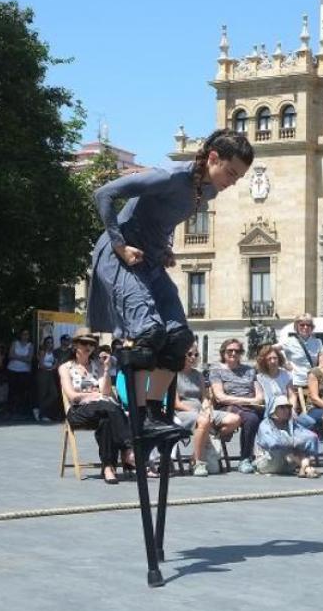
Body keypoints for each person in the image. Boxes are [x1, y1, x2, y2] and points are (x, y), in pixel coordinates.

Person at [86, 129, 252, 443]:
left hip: (149, 259)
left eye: (239, 177)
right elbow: (103, 194)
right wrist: (120, 245)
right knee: (150, 332)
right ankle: (137, 414)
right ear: (213, 158)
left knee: (178, 337)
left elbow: (161, 219)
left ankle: (154, 412)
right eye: (231, 172)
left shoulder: (207, 190)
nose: (233, 181)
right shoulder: (170, 178)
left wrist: (163, 248)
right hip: (120, 254)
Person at [57, 328, 132, 484]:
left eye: (91, 343)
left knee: (106, 419)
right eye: (84, 343)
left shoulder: (96, 365)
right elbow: (72, 395)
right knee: (109, 406)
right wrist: (92, 395)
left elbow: (105, 392)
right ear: (75, 345)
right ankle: (128, 449)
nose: (88, 347)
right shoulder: (66, 368)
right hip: (78, 411)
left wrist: (105, 369)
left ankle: (108, 467)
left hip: (101, 409)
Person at [172, 344, 237, 477]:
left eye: (196, 355)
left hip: (201, 411)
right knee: (203, 421)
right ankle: (198, 462)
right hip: (182, 413)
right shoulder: (174, 374)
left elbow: (204, 397)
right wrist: (198, 413)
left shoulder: (198, 375)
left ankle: (202, 446)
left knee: (234, 419)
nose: (193, 357)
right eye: (189, 354)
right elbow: (176, 403)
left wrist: (207, 406)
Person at [208, 338, 265, 474]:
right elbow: (220, 397)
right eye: (230, 350)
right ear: (223, 352)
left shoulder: (250, 370)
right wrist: (246, 401)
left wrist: (251, 402)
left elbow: (259, 396)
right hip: (226, 407)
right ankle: (245, 458)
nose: (234, 353)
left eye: (237, 351)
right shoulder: (216, 370)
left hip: (249, 406)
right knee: (251, 419)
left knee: (274, 416)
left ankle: (270, 455)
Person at [255, 396, 321, 477]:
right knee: (286, 449)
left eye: (288, 407)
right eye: (282, 407)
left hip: (287, 465)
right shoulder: (265, 425)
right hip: (267, 463)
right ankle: (307, 468)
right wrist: (293, 442)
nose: (286, 410)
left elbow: (311, 438)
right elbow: (273, 443)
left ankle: (305, 468)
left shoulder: (291, 424)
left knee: (301, 449)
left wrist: (298, 419)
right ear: (273, 409)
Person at [279, 314, 323, 403]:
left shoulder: (318, 342)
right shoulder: (289, 341)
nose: (305, 327)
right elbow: (270, 350)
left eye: (308, 325)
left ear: (312, 327)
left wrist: (318, 373)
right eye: (302, 325)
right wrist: (284, 363)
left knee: (311, 413)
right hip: (295, 385)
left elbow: (322, 362)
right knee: (294, 412)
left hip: (312, 385)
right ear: (296, 327)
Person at [6, 329, 35, 420]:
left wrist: (17, 356)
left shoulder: (30, 345)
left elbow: (29, 359)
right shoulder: (15, 343)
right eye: (24, 334)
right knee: (12, 391)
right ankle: (10, 411)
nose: (25, 336)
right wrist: (23, 358)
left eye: (27, 334)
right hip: (12, 370)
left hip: (24, 371)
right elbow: (10, 355)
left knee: (22, 392)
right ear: (20, 335)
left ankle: (21, 411)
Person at [35, 335, 59, 423]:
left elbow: (56, 363)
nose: (50, 344)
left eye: (51, 342)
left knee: (54, 394)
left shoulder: (53, 352)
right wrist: (50, 368)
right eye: (48, 342)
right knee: (43, 394)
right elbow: (41, 364)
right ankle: (42, 415)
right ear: (45, 343)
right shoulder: (42, 352)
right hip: (42, 373)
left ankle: (38, 409)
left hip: (50, 374)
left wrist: (52, 368)